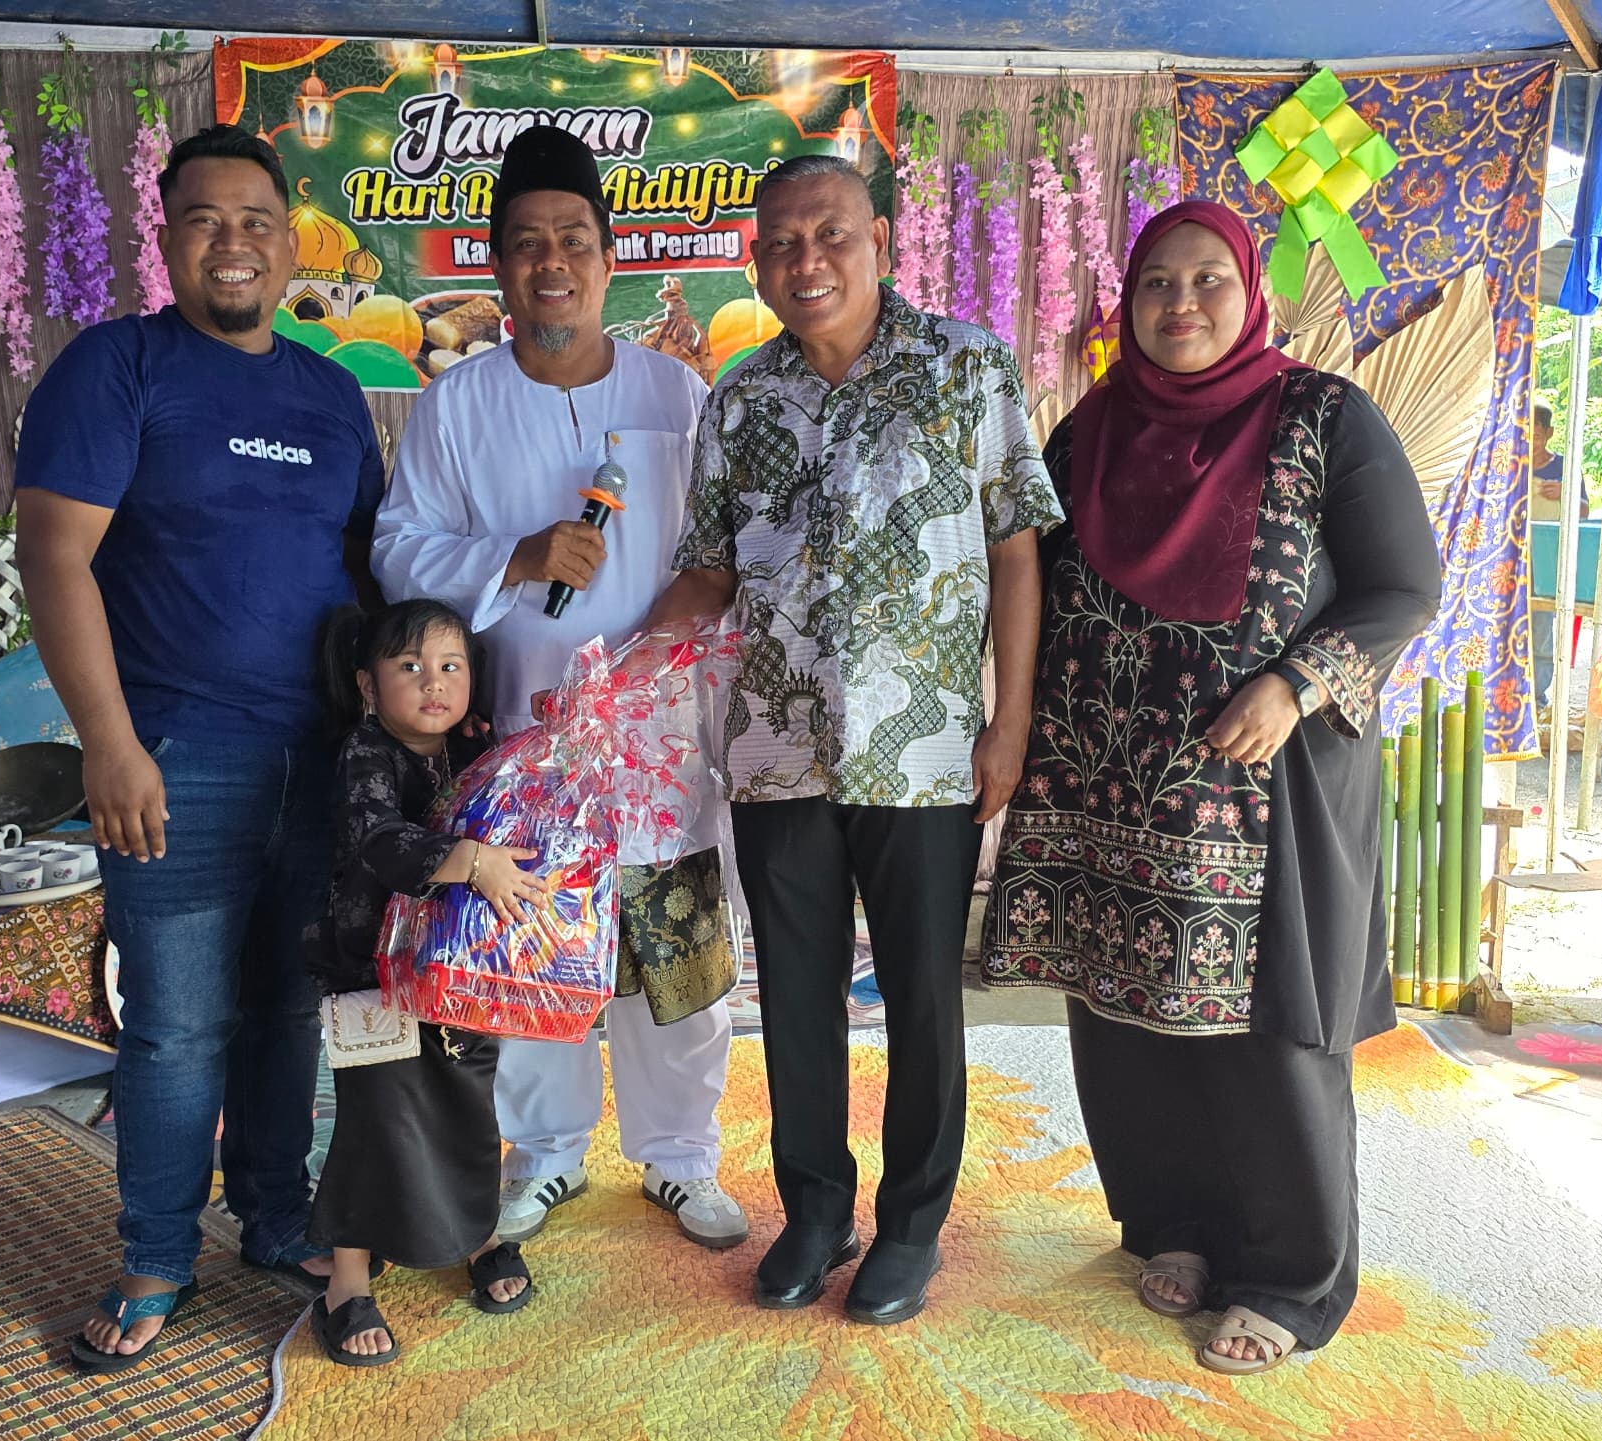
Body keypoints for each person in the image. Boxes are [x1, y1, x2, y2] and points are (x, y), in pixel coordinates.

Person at [980, 201, 1442, 1375]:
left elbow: (1400, 585)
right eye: (1155, 283)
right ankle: (1169, 1221)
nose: (1179, 304)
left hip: (1262, 784)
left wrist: (1294, 685)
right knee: (1124, 1021)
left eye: (1205, 281)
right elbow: (1029, 576)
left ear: (1249, 295)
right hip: (1104, 787)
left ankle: (1289, 1274)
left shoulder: (1322, 417)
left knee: (1265, 1033)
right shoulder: (1089, 432)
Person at [646, 154, 1060, 1326]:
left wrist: (1008, 721)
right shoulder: (739, 399)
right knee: (795, 997)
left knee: (923, 996)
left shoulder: (965, 366)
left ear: (878, 239)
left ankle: (912, 1225)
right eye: (779, 241)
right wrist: (622, 666)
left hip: (923, 753)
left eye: (828, 233)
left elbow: (1016, 548)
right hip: (773, 745)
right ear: (755, 261)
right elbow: (709, 569)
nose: (805, 259)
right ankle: (815, 1212)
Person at [18, 125, 388, 1371]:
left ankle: (274, 1217)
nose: (233, 242)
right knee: (176, 1028)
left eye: (255, 221)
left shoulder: (331, 394)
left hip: (319, 759)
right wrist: (109, 744)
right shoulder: (116, 367)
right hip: (174, 756)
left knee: (287, 1008)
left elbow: (364, 570)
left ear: (290, 245)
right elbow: (53, 557)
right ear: (167, 237)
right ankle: (156, 1255)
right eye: (203, 219)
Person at [371, 125, 747, 1253]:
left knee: (675, 946)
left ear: (608, 258)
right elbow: (397, 549)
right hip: (526, 736)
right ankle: (544, 1153)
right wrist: (517, 556)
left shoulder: (676, 393)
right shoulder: (456, 403)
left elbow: (722, 547)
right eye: (528, 242)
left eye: (574, 240)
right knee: (534, 938)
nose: (553, 263)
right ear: (497, 265)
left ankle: (680, 1155)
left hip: (662, 733)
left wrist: (660, 658)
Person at [304, 601, 547, 1364]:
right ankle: (348, 1279)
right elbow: (377, 838)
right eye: (409, 667)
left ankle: (476, 1234)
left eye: (450, 666)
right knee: (376, 1118)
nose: (433, 683)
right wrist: (473, 861)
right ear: (367, 685)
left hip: (458, 972)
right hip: (369, 975)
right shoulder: (365, 753)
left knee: (467, 1098)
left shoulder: (473, 749)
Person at [1528, 399, 1583, 717]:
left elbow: (1584, 511)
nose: (1530, 442)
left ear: (1548, 433)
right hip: (1512, 559)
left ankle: (1537, 696)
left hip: (1547, 559)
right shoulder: (1508, 463)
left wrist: (1565, 493)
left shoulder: (1565, 467)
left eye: (1535, 435)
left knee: (1541, 627)